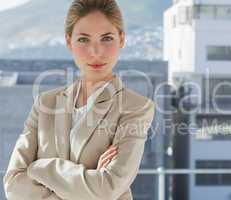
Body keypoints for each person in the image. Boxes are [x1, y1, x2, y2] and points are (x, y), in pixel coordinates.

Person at [3, 0, 155, 199]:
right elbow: (13, 185)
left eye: (106, 38)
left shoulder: (136, 108)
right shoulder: (44, 104)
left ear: (121, 39)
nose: (95, 51)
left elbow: (106, 189)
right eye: (84, 39)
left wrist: (40, 168)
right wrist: (88, 182)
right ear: (69, 41)